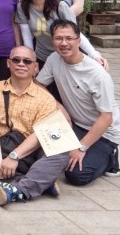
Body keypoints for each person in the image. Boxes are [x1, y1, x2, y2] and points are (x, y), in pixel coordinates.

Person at [0, 45, 68, 206]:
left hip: (30, 150)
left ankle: (18, 191)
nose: (21, 64)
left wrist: (14, 156)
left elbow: (41, 134)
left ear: (35, 67)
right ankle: (41, 182)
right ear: (8, 63)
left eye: (27, 61)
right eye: (16, 60)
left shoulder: (45, 98)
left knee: (61, 150)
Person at [37, 20, 120, 186]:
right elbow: (38, 86)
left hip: (104, 133)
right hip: (75, 126)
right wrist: (59, 106)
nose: (64, 43)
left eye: (69, 38)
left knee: (76, 175)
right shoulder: (54, 59)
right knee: (41, 154)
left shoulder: (98, 75)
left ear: (79, 41)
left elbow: (106, 118)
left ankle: (112, 158)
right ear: (52, 41)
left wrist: (81, 148)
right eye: (58, 38)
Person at [16, 0, 103, 68]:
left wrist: (94, 55)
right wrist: (31, 60)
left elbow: (76, 34)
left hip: (66, 58)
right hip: (42, 58)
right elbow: (27, 37)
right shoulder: (22, 7)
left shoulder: (60, 6)